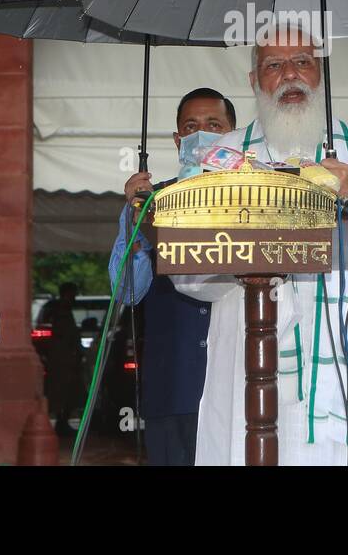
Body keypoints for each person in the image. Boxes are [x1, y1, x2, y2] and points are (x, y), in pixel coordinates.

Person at [173, 31, 348, 465]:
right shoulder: (217, 159)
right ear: (254, 79)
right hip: (248, 373)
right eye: (274, 65)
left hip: (346, 380)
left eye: (303, 62)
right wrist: (246, 255)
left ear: (320, 73)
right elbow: (186, 275)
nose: (290, 75)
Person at [107, 88, 235, 465]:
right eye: (191, 126)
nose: (202, 134)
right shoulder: (151, 201)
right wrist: (135, 225)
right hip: (172, 387)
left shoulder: (254, 198)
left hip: (234, 384)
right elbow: (127, 292)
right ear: (178, 139)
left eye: (214, 125)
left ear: (233, 134)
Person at [43, 282, 83, 439]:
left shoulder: (63, 311)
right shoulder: (60, 313)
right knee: (62, 391)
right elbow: (64, 337)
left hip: (66, 359)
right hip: (61, 360)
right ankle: (61, 421)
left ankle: (63, 421)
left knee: (69, 392)